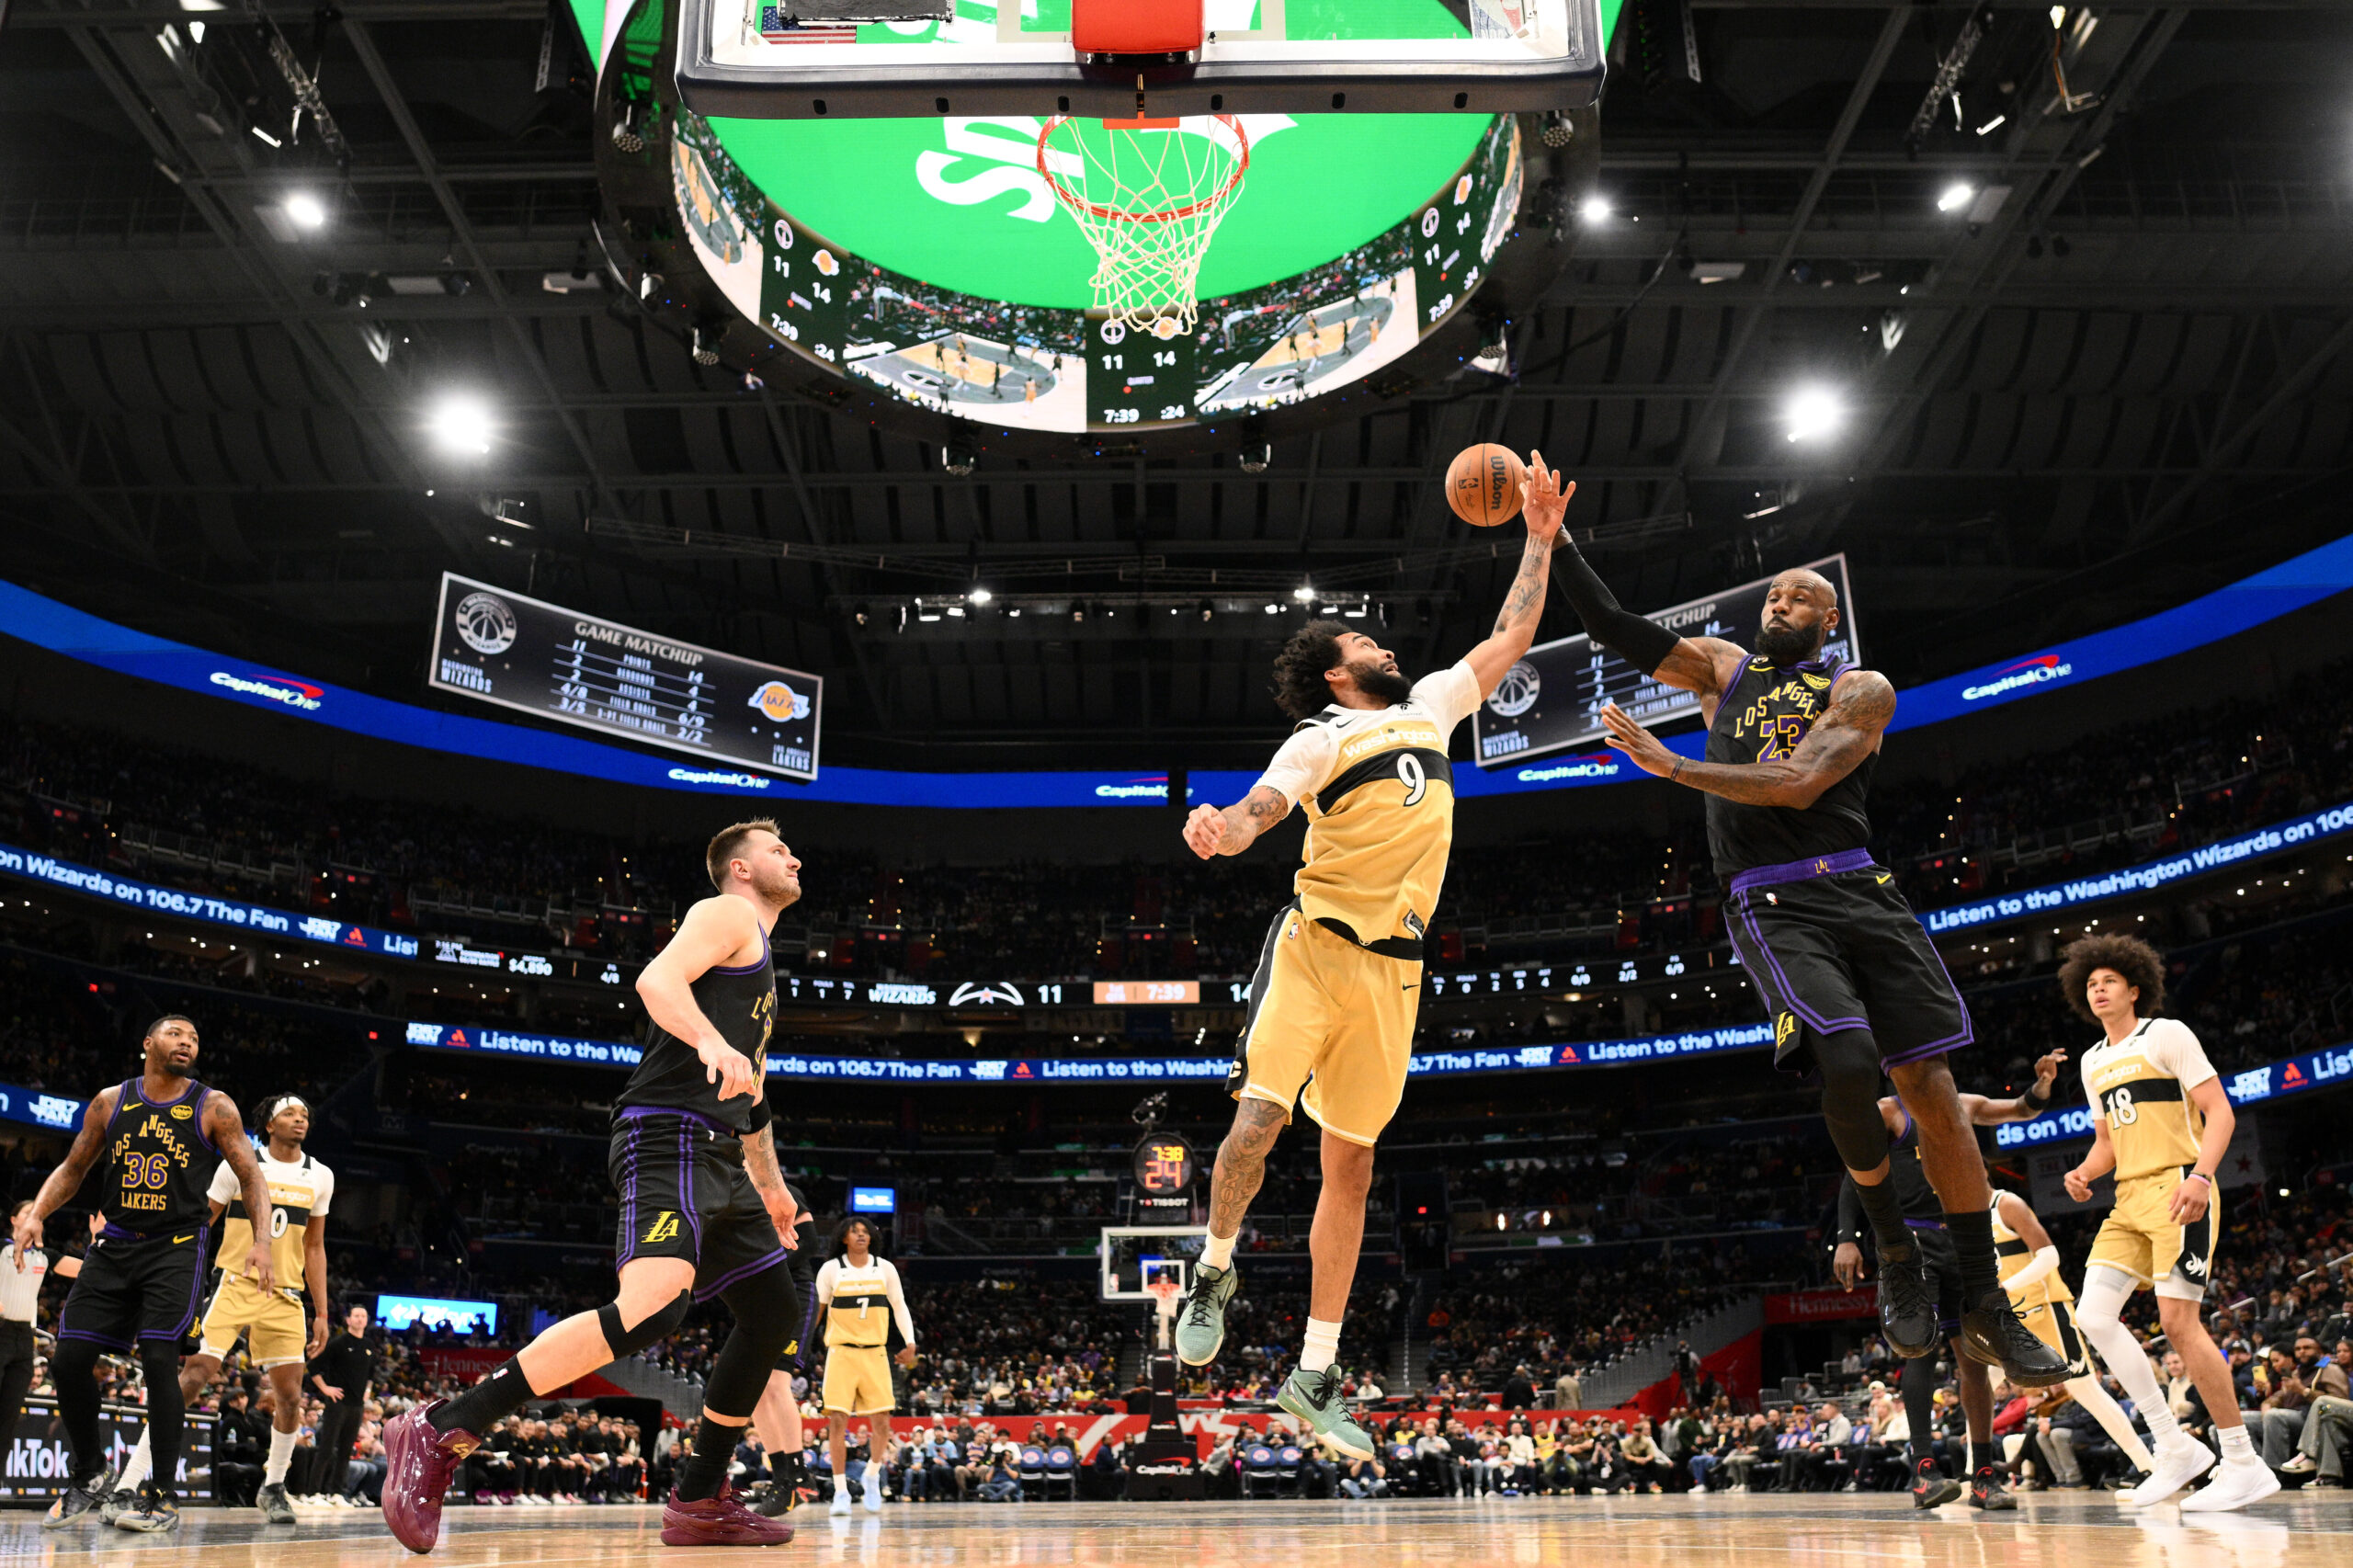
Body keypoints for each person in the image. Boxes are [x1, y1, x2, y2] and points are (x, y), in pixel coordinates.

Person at [1567, 553, 2066, 1392]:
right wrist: (1553, 538)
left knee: (1933, 1092)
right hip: (1771, 900)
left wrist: (1676, 767)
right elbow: (1616, 627)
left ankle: (1983, 1300)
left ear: (1828, 622)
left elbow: (1800, 785)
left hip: (1862, 889)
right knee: (1844, 1059)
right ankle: (1897, 1252)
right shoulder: (1721, 668)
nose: (1782, 602)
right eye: (1774, 593)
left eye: (1802, 597)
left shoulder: (1860, 690)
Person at [1173, 452, 1574, 1460]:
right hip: (1311, 947)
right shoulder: (1317, 738)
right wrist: (1222, 825)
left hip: (1397, 969)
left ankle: (1312, 1373)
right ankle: (1214, 1265)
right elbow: (1261, 809)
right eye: (1360, 640)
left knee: (1349, 1167)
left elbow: (1512, 634)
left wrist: (1535, 535)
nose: (1380, 641)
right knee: (1258, 1125)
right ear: (1333, 673)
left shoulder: (1433, 703)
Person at [381, 821, 808, 1551]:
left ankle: (701, 1499)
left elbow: (755, 1092)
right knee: (651, 1311)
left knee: (773, 1314)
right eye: (776, 850)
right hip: (669, 1132)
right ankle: (443, 1427)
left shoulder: (762, 959)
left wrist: (771, 1184)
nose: (793, 856)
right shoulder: (726, 913)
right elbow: (656, 980)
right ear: (738, 868)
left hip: (721, 1157)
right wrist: (707, 1040)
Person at [13, 1015, 273, 1533]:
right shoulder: (112, 1102)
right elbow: (73, 1168)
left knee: (159, 1360)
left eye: (195, 1037)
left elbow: (251, 1175)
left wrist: (263, 1242)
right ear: (148, 1043)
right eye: (176, 1034)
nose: (187, 1042)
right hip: (114, 1247)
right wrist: (37, 1212)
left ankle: (162, 1494)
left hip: (175, 1249)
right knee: (68, 1361)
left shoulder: (214, 1105)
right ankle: (89, 1473)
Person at [2057, 934, 2279, 1513]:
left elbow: (2221, 1111)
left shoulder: (2167, 1034)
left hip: (2179, 1185)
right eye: (2090, 984)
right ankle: (2175, 1447)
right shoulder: (2092, 1060)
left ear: (2135, 987)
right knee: (2093, 1317)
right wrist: (2083, 1172)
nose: (2098, 989)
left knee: (2179, 1325)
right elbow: (2107, 1142)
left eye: (2108, 980)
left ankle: (2242, 1461)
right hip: (2127, 1198)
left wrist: (2203, 1177)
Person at [1833, 1051, 2071, 1511]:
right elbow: (1854, 1176)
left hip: (1964, 1238)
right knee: (1918, 1349)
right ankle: (1923, 1470)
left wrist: (2042, 1084)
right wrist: (1847, 1238)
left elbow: (2021, 1109)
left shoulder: (1959, 1103)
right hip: (1914, 1240)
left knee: (1975, 1360)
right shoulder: (1887, 1112)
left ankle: (1983, 1476)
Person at [114, 1093, 332, 1525]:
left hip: (286, 1294)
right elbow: (201, 1222)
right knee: (191, 1377)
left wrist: (322, 1312)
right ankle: (129, 1483)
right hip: (233, 1284)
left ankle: (273, 1487)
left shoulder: (320, 1175)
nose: (300, 1119)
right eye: (289, 1113)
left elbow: (314, 1246)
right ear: (269, 1124)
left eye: (304, 1114)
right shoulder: (239, 1163)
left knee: (290, 1398)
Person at [1989, 1185, 2155, 1488]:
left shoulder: (2006, 1204)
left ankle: (2148, 1467)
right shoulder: (1963, 1217)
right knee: (1981, 1383)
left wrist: (2007, 1287)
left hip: (2046, 1308)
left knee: (2086, 1390)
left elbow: (2050, 1257)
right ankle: (1975, 1474)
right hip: (2007, 1316)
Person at [815, 1216, 915, 1515]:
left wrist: (910, 1342)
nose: (861, 1236)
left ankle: (871, 1476)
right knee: (836, 1422)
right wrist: (796, 1345)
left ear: (871, 1238)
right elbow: (816, 1312)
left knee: (883, 1422)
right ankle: (841, 1491)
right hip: (841, 1353)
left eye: (865, 1232)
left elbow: (899, 1305)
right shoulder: (831, 1269)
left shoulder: (885, 1268)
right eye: (854, 1232)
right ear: (843, 1238)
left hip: (875, 1352)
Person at [746, 1181, 820, 1516]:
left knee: (776, 1384)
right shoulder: (723, 1194)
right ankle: (783, 1479)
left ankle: (800, 1476)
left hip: (793, 1293)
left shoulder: (777, 1188)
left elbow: (809, 1242)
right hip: (757, 1300)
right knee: (756, 1391)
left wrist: (764, 1270)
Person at [307, 1305, 376, 1501]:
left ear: (366, 1320)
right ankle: (313, 1493)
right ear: (348, 1320)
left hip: (357, 1406)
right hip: (338, 1403)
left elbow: (371, 1374)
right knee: (327, 1448)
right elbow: (313, 1367)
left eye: (363, 1316)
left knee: (346, 1450)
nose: (360, 1319)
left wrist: (368, 1391)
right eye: (356, 1316)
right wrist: (326, 1388)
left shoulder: (369, 1345)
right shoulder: (338, 1343)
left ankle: (337, 1493)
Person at [0, 1202, 50, 1437]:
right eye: (27, 1213)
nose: (33, 1217)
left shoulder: (43, 1255)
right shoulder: (2, 1247)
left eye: (37, 1214)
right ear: (14, 1220)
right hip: (1, 1329)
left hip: (24, 1339)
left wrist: (96, 1240)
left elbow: (85, 1269)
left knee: (9, 1418)